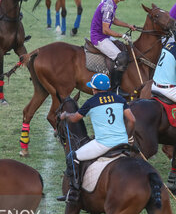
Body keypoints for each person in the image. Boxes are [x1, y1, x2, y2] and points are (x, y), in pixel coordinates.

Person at [57, 73, 136, 203]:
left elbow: (75, 118)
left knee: (73, 156)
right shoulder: (120, 99)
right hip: (123, 142)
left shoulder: (91, 102)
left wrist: (65, 115)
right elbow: (132, 120)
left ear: (94, 89)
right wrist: (130, 138)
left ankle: (74, 191)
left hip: (104, 144)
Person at [89, 0, 137, 93]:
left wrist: (128, 25)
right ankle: (115, 88)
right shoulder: (109, 6)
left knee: (123, 48)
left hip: (101, 35)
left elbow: (113, 19)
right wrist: (122, 35)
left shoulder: (109, 1)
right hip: (99, 38)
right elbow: (105, 30)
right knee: (121, 57)